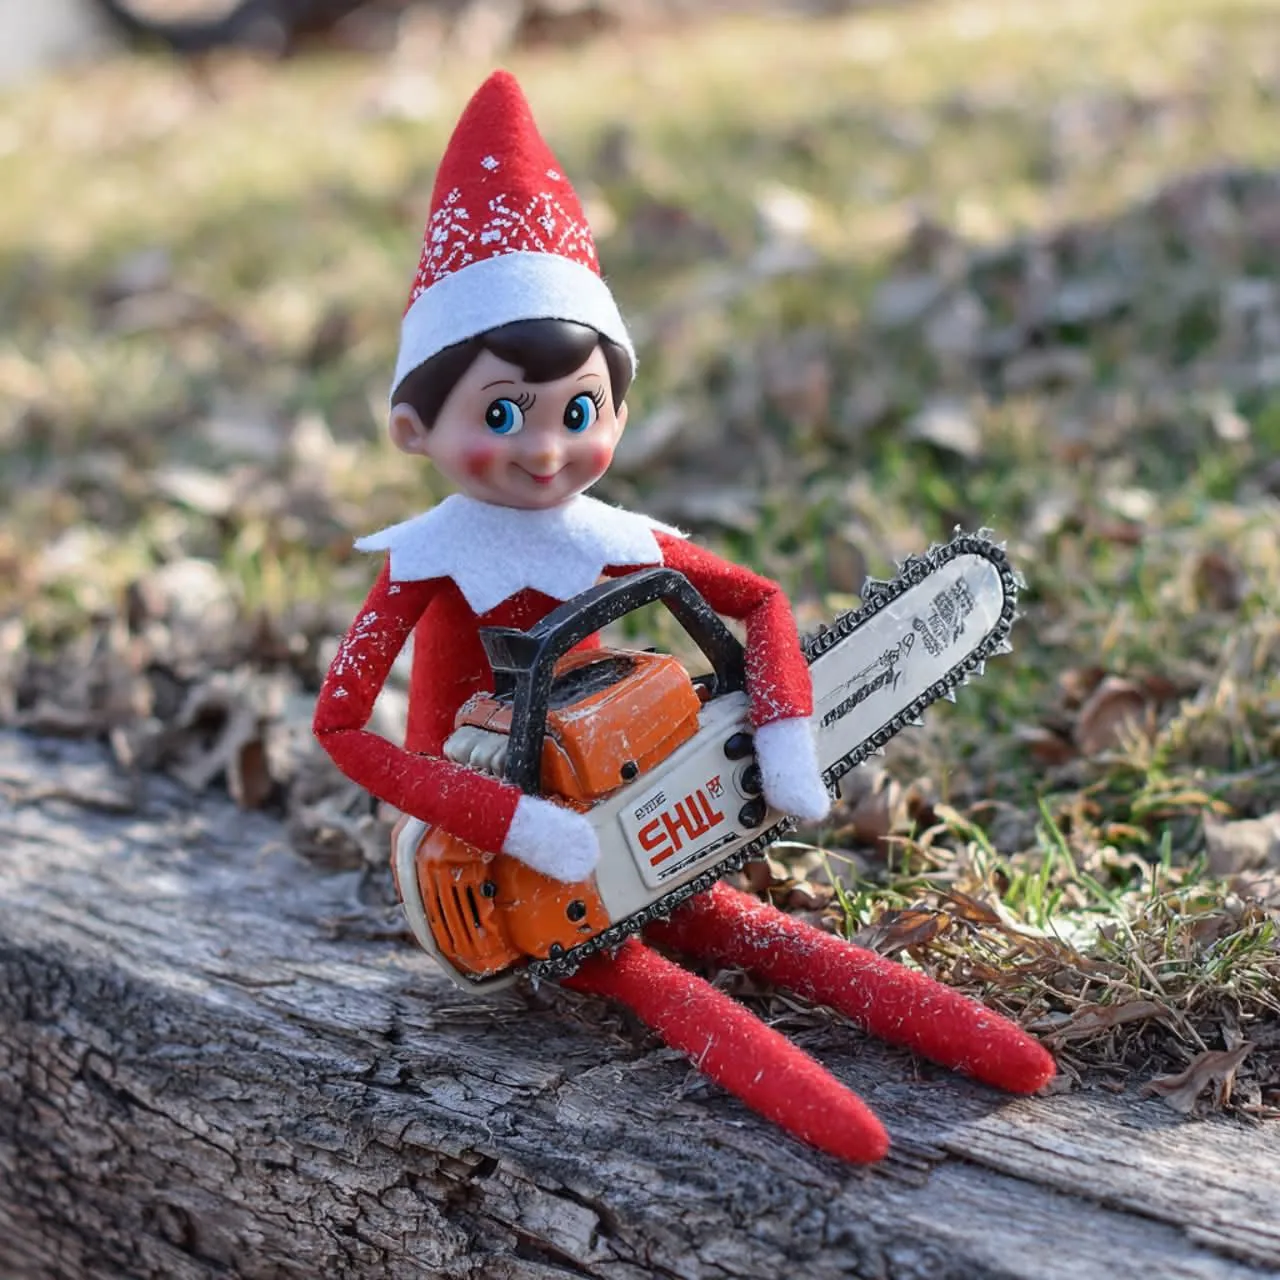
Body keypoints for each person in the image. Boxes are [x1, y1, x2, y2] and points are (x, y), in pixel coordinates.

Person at [314, 70, 1054, 1162]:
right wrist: (503, 819)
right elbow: (340, 725)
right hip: (485, 853)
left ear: (617, 401)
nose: (545, 447)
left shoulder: (612, 536)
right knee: (647, 970)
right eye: (502, 413)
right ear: (412, 425)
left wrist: (786, 733)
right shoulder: (428, 561)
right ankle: (843, 1129)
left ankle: (991, 1051)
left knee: (741, 924)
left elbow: (754, 601)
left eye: (578, 411)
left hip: (617, 783)